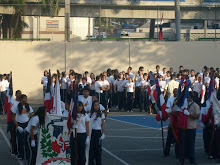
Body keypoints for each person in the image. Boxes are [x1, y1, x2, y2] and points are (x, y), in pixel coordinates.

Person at [179, 92, 200, 164]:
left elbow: (197, 116)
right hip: (183, 127)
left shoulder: (195, 106)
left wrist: (189, 114)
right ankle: (182, 158)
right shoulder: (183, 105)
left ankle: (192, 158)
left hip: (191, 127)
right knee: (182, 144)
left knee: (191, 144)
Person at [12, 94, 33, 160]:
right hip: (19, 124)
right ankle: (21, 155)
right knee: (20, 141)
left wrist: (28, 125)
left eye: (26, 98)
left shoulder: (28, 106)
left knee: (26, 141)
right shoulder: (16, 106)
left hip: (26, 124)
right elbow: (13, 117)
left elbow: (31, 115)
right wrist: (17, 126)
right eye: (24, 98)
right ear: (21, 99)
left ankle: (28, 155)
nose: (25, 100)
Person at [89, 100, 105, 165]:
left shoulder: (101, 114)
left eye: (97, 105)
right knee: (91, 149)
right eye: (95, 105)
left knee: (98, 150)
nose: (96, 107)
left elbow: (102, 125)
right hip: (92, 132)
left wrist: (103, 133)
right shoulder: (90, 114)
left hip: (98, 132)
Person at [164, 88, 179, 157]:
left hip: (178, 121)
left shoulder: (180, 99)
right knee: (169, 138)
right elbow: (168, 109)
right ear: (173, 92)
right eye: (175, 91)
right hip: (172, 121)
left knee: (178, 138)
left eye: (177, 91)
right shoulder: (170, 99)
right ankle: (166, 152)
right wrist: (173, 104)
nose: (176, 92)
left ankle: (177, 153)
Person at [8, 90, 22, 155]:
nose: (20, 95)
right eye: (18, 94)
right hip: (13, 121)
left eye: (20, 93)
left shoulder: (22, 103)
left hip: (20, 121)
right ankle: (14, 150)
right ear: (15, 95)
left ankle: (20, 151)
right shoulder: (12, 102)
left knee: (20, 138)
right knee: (13, 137)